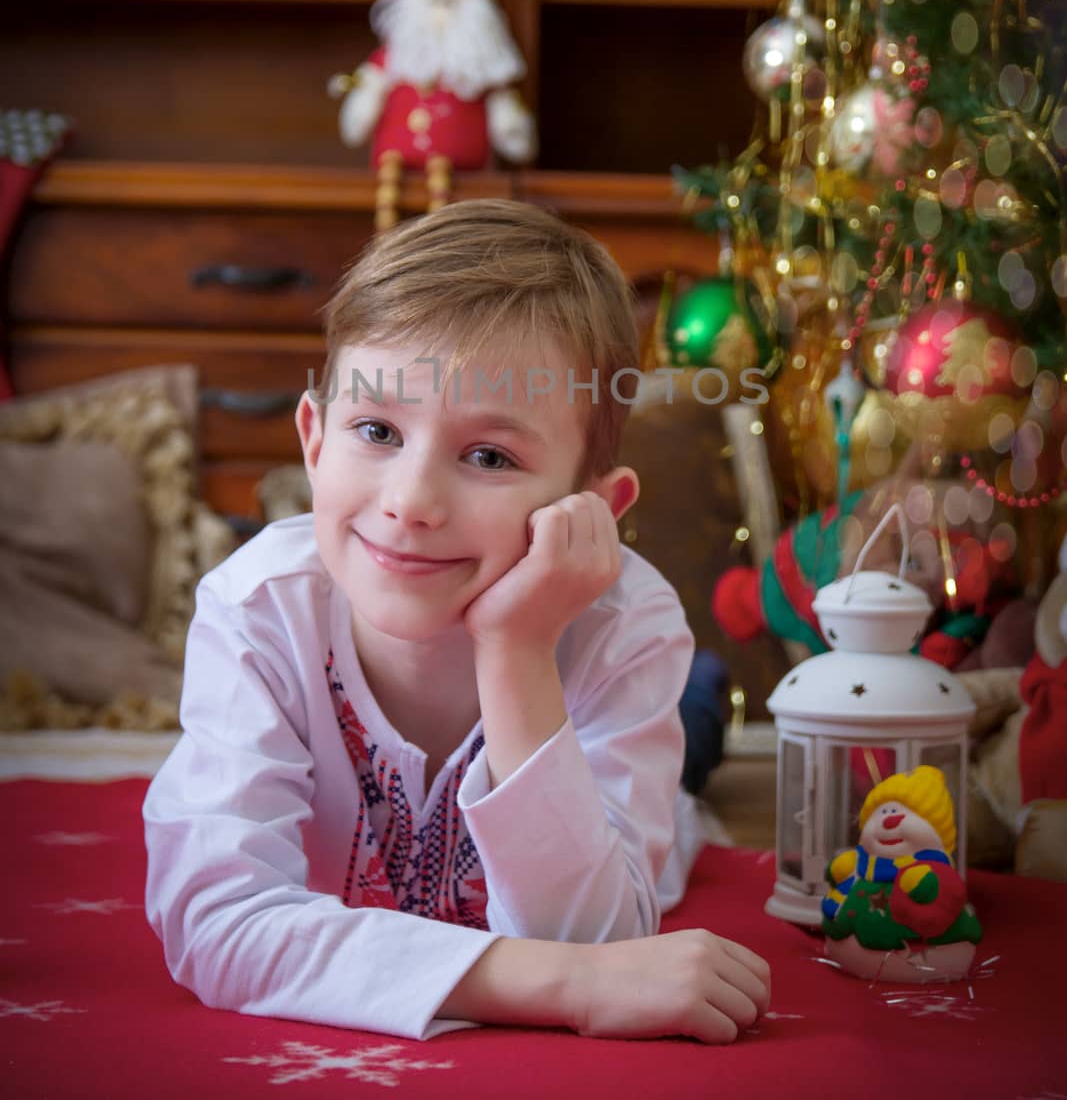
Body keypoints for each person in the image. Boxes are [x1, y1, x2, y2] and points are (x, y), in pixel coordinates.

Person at [142, 199, 770, 1045]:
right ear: (314, 439)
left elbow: (603, 937)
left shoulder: (627, 627)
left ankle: (696, 703)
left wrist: (518, 648)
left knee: (688, 752)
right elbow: (218, 924)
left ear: (593, 507)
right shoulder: (257, 609)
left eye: (488, 457)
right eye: (376, 430)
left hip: (623, 722)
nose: (410, 504)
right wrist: (566, 987)